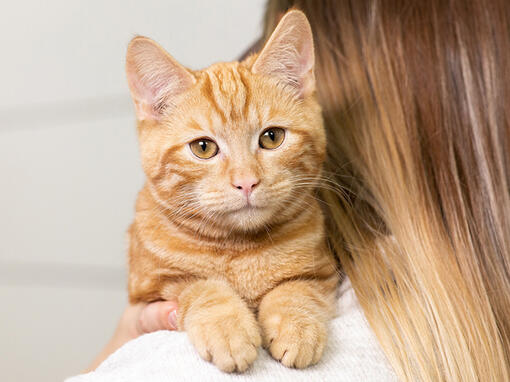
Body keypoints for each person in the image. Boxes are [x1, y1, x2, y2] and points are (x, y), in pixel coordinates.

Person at [81, 1, 510, 381]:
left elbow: (314, 276)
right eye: (204, 147)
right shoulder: (155, 228)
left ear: (302, 88)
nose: (245, 178)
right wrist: (199, 300)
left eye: (270, 138)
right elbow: (157, 290)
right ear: (153, 111)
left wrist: (296, 300)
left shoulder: (314, 225)